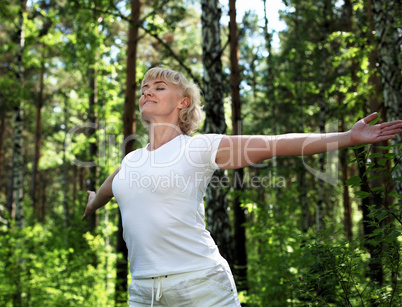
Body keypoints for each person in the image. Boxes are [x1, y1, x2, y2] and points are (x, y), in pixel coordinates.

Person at [82, 67, 402, 307]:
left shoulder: (199, 147)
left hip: (199, 286)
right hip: (141, 292)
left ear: (183, 102)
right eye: (143, 88)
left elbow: (276, 144)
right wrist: (94, 201)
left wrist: (347, 137)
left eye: (158, 87)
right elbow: (113, 186)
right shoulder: (132, 159)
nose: (146, 92)